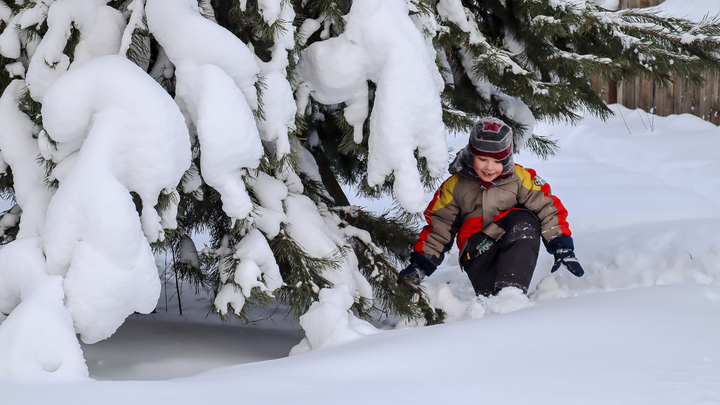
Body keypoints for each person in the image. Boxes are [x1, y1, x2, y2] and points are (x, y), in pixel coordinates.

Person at [400, 117, 584, 296]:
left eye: (498, 161)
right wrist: (421, 264)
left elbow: (547, 207)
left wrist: (561, 245)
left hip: (515, 241)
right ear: (472, 154)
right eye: (482, 159)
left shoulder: (520, 179)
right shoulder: (454, 186)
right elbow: (439, 229)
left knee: (524, 220)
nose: (490, 167)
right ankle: (503, 300)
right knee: (491, 301)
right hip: (478, 250)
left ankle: (512, 293)